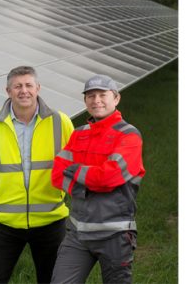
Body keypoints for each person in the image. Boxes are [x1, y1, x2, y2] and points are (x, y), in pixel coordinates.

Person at [0, 66, 74, 284]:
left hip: (51, 220)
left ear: (38, 88)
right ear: (8, 91)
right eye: (17, 86)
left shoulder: (60, 121)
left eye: (28, 85)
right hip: (4, 223)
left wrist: (60, 190)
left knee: (53, 280)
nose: (23, 91)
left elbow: (75, 164)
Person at [50, 75, 146, 284]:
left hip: (115, 234)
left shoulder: (129, 136)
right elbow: (57, 176)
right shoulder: (78, 134)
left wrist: (74, 170)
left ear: (116, 98)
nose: (96, 100)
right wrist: (92, 182)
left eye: (103, 95)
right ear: (85, 101)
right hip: (77, 234)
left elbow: (108, 177)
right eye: (91, 96)